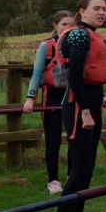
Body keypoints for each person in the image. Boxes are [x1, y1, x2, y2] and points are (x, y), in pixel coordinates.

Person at [46, 0, 106, 212]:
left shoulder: (89, 34)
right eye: (96, 8)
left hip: (90, 101)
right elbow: (74, 74)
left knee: (86, 168)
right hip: (77, 107)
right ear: (82, 12)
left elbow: (87, 76)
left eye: (104, 9)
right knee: (79, 169)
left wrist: (99, 99)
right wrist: (85, 110)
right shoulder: (79, 35)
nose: (102, 12)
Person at [23, 10, 75, 194]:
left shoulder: (77, 45)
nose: (68, 29)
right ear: (55, 25)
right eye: (64, 25)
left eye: (71, 25)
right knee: (53, 141)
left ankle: (72, 175)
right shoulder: (47, 46)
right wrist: (31, 98)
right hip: (51, 96)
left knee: (74, 138)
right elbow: (37, 73)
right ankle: (53, 180)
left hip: (72, 96)